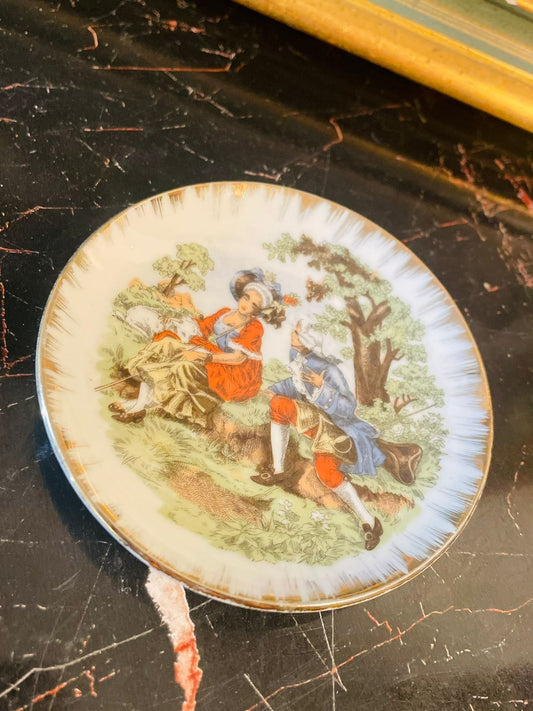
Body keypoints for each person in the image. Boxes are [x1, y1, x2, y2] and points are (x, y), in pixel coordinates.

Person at [252, 320, 421, 551]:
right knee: (279, 404)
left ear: (308, 340)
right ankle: (278, 471)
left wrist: (323, 388)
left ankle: (370, 523)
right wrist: (275, 390)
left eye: (298, 333)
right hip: (315, 418)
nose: (292, 335)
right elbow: (296, 383)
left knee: (326, 472)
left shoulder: (329, 370)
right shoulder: (297, 356)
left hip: (337, 428)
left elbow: (348, 407)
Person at [110, 269, 286, 427]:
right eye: (247, 297)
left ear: (257, 311)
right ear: (241, 295)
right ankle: (136, 405)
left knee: (181, 366)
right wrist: (176, 323)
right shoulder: (225, 312)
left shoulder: (254, 327)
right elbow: (202, 328)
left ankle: (137, 407)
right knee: (165, 345)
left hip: (234, 371)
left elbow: (238, 358)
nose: (246, 304)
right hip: (213, 355)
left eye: (254, 305)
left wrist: (203, 357)